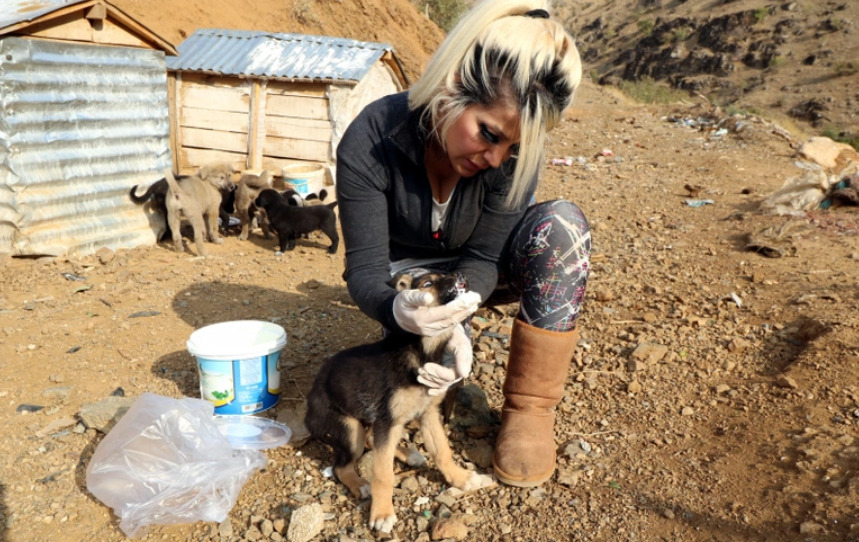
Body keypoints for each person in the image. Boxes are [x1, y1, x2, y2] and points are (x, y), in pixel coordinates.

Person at [335, 0, 590, 488]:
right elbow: (365, 270)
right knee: (410, 368)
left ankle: (530, 411)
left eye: (513, 147)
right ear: (451, 88)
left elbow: (482, 257)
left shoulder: (511, 157)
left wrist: (458, 319)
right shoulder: (370, 138)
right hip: (405, 278)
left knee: (563, 229)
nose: (497, 159)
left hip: (475, 274)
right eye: (488, 134)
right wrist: (398, 309)